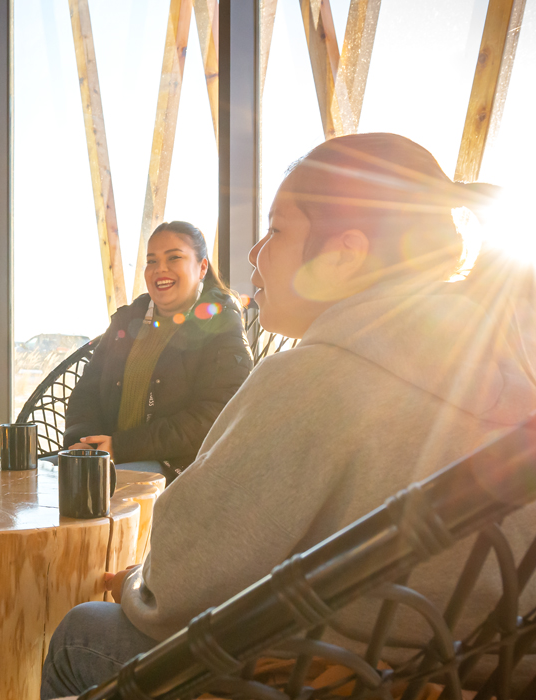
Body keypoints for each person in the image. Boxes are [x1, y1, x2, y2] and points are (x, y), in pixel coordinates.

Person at [41, 133, 536, 699]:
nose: (254, 254)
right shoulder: (512, 369)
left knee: (84, 632)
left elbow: (173, 595)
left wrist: (136, 583)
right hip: (466, 679)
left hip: (320, 679)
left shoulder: (311, 380)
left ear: (346, 253)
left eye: (276, 229)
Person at [62, 222, 252, 481]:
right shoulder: (127, 321)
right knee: (29, 479)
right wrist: (85, 444)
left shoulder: (220, 323)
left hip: (180, 468)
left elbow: (215, 414)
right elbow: (86, 393)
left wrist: (122, 446)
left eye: (174, 257)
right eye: (151, 261)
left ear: (202, 268)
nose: (160, 269)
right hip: (109, 458)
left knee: (87, 489)